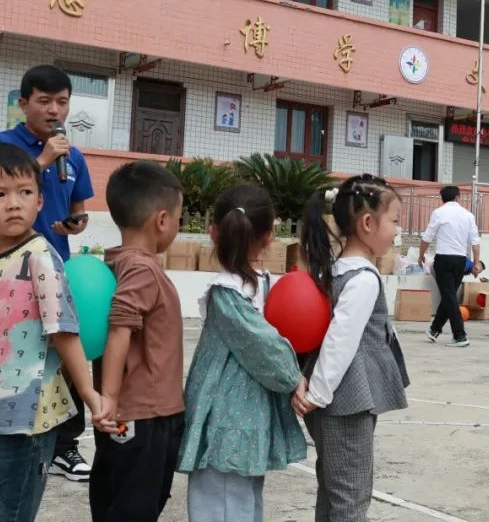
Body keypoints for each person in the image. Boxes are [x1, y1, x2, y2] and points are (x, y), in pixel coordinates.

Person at [0, 144, 99, 522]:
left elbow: (64, 330)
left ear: (40, 201)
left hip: (27, 417)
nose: (14, 204)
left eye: (25, 193)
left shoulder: (39, 256)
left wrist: (89, 393)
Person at [0, 64, 95, 481]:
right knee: (11, 351)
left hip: (56, 265)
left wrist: (76, 223)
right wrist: (42, 160)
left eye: (62, 102)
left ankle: (64, 446)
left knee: (65, 352)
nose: (54, 110)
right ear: (23, 102)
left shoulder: (74, 154)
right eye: (44, 101)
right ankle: (6, 439)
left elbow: (78, 209)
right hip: (9, 268)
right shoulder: (1, 146)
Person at [178, 185, 307, 521]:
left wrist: (293, 378)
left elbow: (264, 344)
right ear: (269, 236)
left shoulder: (237, 290)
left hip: (229, 419)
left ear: (213, 232)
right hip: (238, 419)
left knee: (223, 502)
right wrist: (294, 379)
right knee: (237, 502)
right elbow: (264, 345)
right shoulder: (239, 291)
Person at [296, 174, 410, 521]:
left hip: (332, 400)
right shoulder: (362, 278)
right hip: (347, 402)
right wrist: (317, 392)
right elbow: (340, 341)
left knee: (333, 492)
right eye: (394, 221)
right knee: (351, 497)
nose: (396, 231)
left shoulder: (333, 271)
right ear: (366, 223)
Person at [89, 161, 185, 522]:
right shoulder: (142, 268)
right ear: (161, 220)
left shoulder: (117, 262)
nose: (178, 224)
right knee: (136, 505)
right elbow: (119, 327)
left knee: (116, 496)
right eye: (179, 217)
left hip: (130, 416)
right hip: (144, 414)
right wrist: (110, 398)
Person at [418, 186, 482, 347]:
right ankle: (434, 329)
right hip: (460, 261)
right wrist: (475, 263)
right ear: (458, 197)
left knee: (449, 297)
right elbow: (475, 241)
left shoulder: (439, 213)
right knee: (449, 296)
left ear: (442, 198)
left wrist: (421, 256)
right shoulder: (468, 215)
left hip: (444, 260)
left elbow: (427, 238)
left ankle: (460, 336)